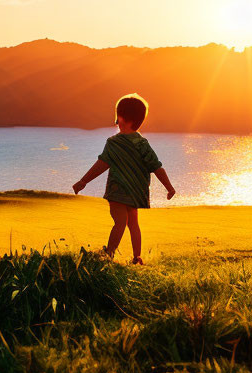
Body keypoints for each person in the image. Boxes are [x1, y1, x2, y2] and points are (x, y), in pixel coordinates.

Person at [73, 93, 175, 265]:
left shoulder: (114, 143)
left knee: (119, 222)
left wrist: (83, 181)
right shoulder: (142, 143)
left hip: (117, 190)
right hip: (135, 192)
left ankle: (109, 255)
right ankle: (137, 257)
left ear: (119, 118)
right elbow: (157, 167)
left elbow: (102, 164)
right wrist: (169, 188)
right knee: (133, 224)